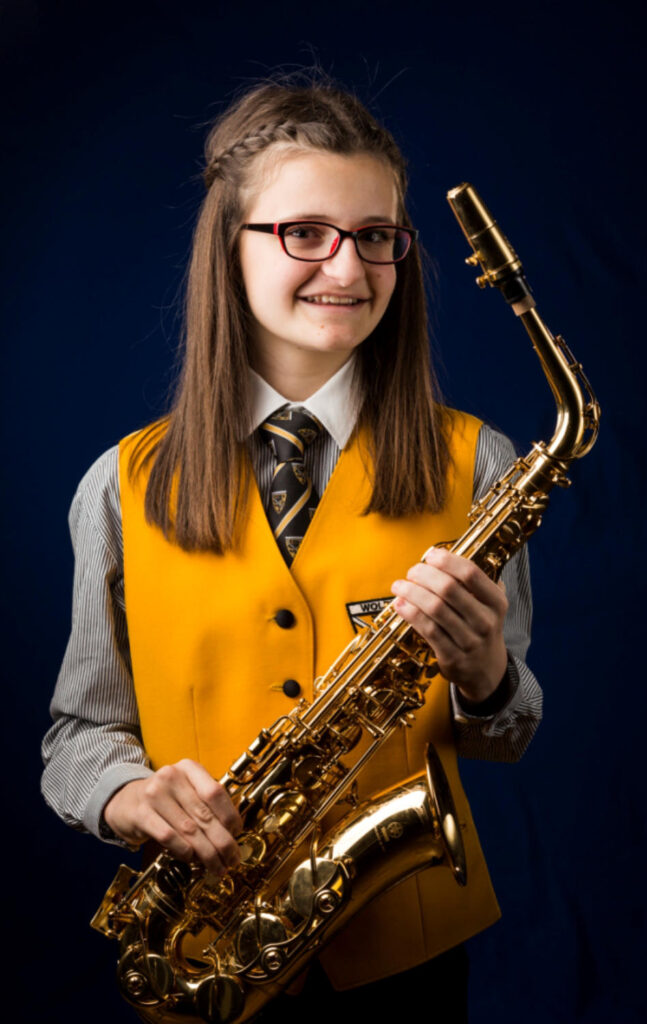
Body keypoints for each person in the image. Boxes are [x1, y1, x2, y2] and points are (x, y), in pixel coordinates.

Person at [42, 77, 542, 1022]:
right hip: (206, 951)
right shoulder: (120, 484)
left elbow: (510, 730)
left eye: (376, 236)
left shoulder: (483, 463)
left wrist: (487, 675)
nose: (347, 268)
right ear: (228, 247)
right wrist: (127, 796)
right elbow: (77, 739)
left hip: (408, 963)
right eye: (305, 232)